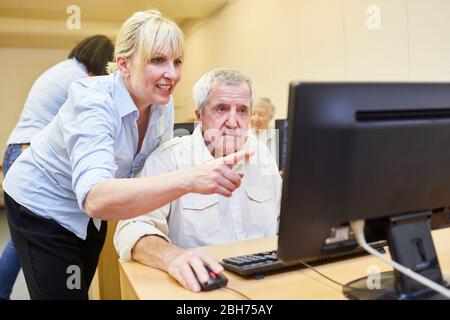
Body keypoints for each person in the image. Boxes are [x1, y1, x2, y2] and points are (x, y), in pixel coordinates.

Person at [2, 11, 250, 300]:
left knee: (78, 286)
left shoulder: (161, 107)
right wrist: (191, 179)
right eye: (158, 60)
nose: (172, 74)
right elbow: (96, 198)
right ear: (123, 64)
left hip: (88, 214)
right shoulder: (91, 101)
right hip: (43, 204)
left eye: (177, 61)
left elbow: (153, 173)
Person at [114, 68, 282, 293]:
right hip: (201, 287)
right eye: (221, 109)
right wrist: (173, 258)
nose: (233, 122)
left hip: (268, 283)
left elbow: (285, 221)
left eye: (242, 111)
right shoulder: (169, 159)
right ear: (199, 115)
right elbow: (131, 228)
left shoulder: (263, 157)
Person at [0, 34, 114, 300]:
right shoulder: (79, 80)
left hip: (18, 148)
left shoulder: (63, 70)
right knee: (33, 232)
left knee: (22, 240)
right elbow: (88, 126)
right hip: (28, 152)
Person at [250, 97, 278, 164]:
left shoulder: (277, 136)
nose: (256, 119)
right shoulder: (242, 135)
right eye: (253, 114)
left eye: (261, 115)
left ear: (270, 117)